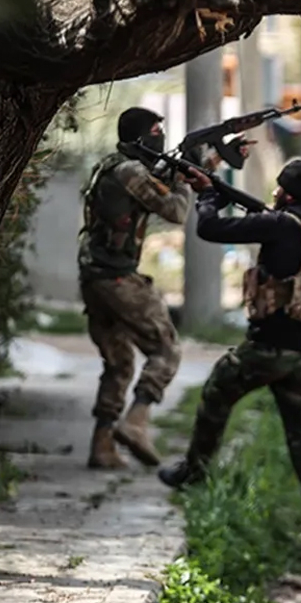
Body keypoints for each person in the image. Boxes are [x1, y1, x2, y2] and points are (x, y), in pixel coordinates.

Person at [157, 157, 301, 562]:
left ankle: (195, 470)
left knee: (216, 391)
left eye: (278, 188)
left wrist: (208, 194)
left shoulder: (281, 224)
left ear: (287, 193)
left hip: (267, 349)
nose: (274, 194)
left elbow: (210, 228)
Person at [77, 107, 196, 470]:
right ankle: (136, 422)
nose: (161, 136)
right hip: (117, 279)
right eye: (156, 130)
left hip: (94, 276)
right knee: (166, 350)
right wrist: (186, 178)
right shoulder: (130, 171)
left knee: (119, 362)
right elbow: (175, 210)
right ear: (141, 137)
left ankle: (102, 446)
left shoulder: (112, 165)